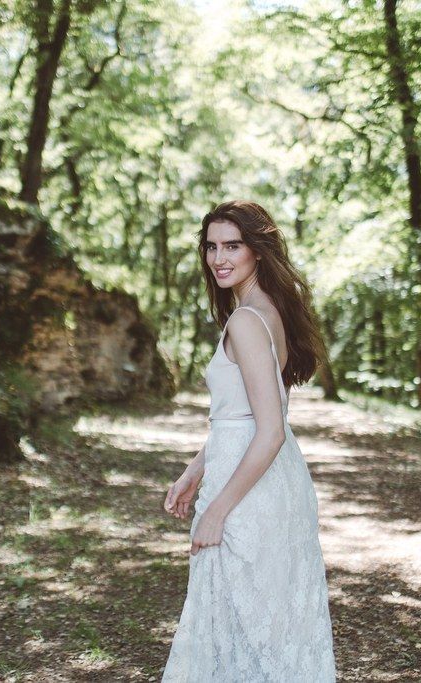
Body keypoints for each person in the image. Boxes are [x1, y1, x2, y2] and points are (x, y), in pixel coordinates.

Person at [160, 201, 337, 682]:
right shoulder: (264, 312)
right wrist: (194, 472)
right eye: (212, 246)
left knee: (244, 624)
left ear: (257, 251)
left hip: (250, 490)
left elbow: (271, 428)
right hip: (260, 475)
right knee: (259, 624)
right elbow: (238, 417)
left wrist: (217, 508)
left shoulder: (246, 321)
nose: (219, 257)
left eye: (232, 245)